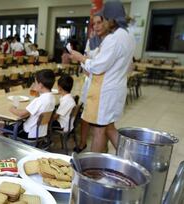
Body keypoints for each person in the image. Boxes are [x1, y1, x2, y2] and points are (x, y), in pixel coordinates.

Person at [69, 0, 135, 152]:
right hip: (117, 87)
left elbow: (97, 67)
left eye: (104, 19)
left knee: (99, 130)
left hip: (104, 92)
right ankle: (129, 158)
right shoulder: (128, 36)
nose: (102, 23)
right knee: (109, 128)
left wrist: (80, 58)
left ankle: (93, 170)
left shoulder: (113, 39)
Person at [74, 13, 108, 153]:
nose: (96, 26)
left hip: (103, 85)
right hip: (90, 82)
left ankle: (101, 148)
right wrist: (87, 67)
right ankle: (82, 143)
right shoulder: (92, 41)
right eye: (94, 24)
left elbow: (102, 67)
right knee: (85, 115)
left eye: (99, 22)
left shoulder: (110, 41)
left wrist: (91, 67)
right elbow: (85, 60)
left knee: (102, 121)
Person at [7, 69, 56, 139]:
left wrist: (11, 108)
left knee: (1, 127)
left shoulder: (40, 100)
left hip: (28, 133)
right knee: (14, 124)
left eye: (35, 83)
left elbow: (21, 114)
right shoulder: (51, 97)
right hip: (40, 133)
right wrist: (34, 90)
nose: (34, 85)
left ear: (41, 85)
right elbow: (33, 97)